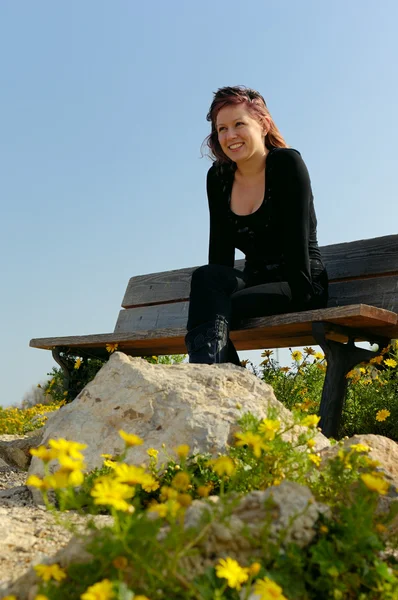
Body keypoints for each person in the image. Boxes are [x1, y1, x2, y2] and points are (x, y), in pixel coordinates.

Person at [185, 86, 328, 365]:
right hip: (254, 281)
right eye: (222, 129)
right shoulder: (218, 178)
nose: (230, 136)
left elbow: (296, 242)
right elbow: (220, 256)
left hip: (300, 281)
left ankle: (213, 376)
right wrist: (217, 291)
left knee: (217, 310)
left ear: (262, 125)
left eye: (239, 124)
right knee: (205, 277)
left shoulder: (287, 164)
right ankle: (217, 373)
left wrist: (302, 295)